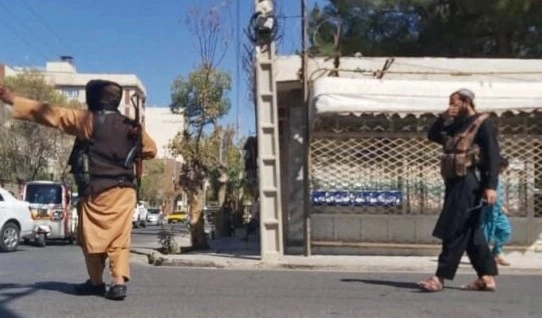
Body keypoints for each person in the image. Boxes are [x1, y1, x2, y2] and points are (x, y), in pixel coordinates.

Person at [0, 80, 157, 300]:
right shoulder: (131, 126)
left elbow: (50, 114)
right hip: (124, 191)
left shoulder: (86, 120)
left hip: (96, 192)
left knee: (88, 238)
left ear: (93, 98)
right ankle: (119, 282)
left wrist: (12, 100)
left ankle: (95, 282)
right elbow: (151, 150)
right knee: (119, 239)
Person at [417, 88, 500, 292]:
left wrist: (491, 186)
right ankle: (486, 277)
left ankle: (439, 277)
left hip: (471, 182)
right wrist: (442, 118)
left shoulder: (483, 123)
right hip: (455, 181)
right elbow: (433, 135)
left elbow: (493, 156)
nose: (451, 107)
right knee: (471, 231)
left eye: (454, 102)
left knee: (454, 226)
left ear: (466, 101)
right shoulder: (455, 124)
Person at [481, 156, 512, 266]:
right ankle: (484, 257)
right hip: (487, 211)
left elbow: (499, 194)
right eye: (501, 167)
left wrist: (502, 206)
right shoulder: (486, 177)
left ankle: (496, 253)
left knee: (505, 230)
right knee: (485, 234)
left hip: (498, 211)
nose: (502, 170)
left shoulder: (498, 178)